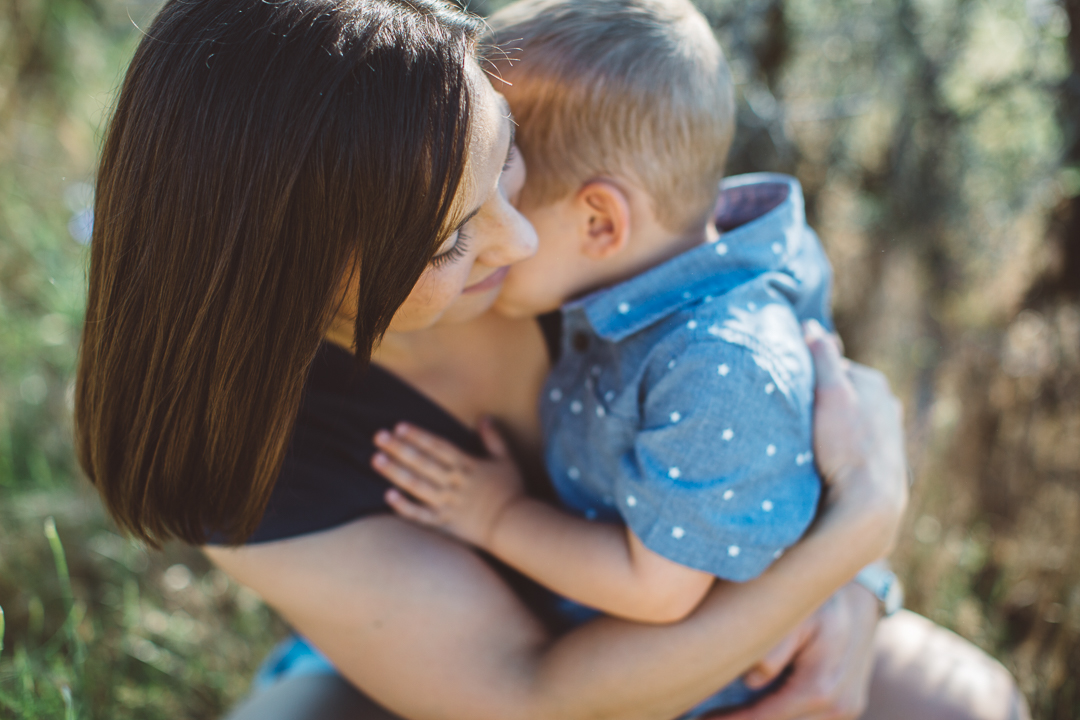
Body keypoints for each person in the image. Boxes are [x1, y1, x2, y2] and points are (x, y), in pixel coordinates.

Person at [71, 0, 1027, 718]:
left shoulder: (585, 223)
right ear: (289, 277)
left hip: (715, 632)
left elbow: (795, 365)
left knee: (965, 704)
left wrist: (856, 590)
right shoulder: (235, 447)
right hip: (472, 683)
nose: (523, 241)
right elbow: (531, 699)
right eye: (449, 240)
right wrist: (855, 536)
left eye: (507, 160)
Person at [364, 4, 839, 714]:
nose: (500, 242)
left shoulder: (716, 365)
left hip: (714, 692)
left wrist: (494, 515)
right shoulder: (656, 298)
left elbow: (658, 588)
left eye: (511, 195)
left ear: (600, 222)